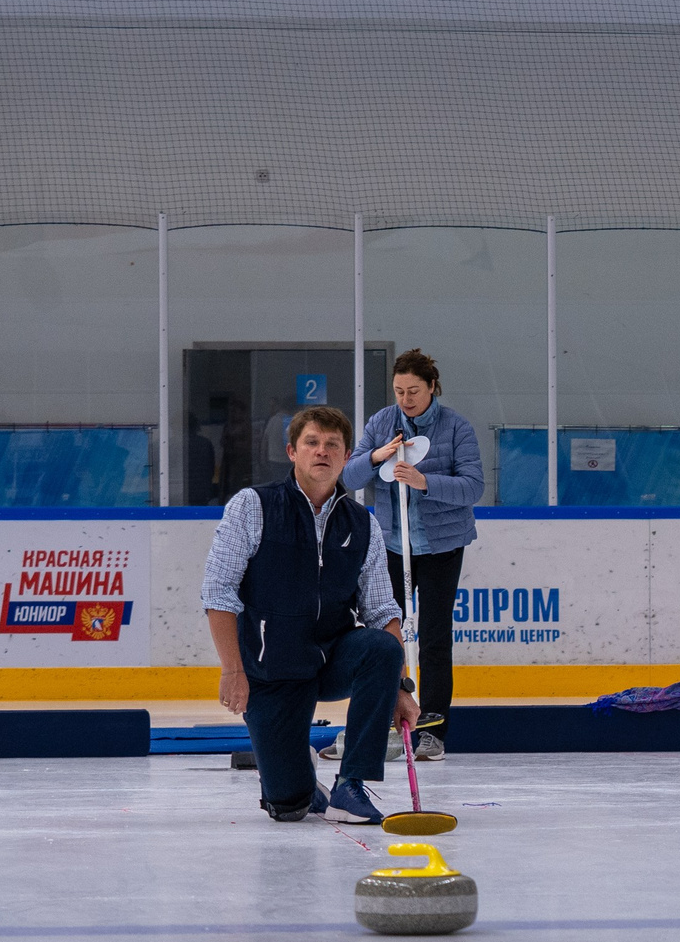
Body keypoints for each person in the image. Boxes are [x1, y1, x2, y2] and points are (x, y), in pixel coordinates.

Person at [201, 405, 418, 824]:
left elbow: (382, 611)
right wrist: (233, 670)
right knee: (288, 807)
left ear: (347, 455)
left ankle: (351, 784)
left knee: (380, 648)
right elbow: (218, 591)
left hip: (332, 656)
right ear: (292, 452)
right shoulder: (253, 506)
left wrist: (400, 688)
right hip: (272, 669)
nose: (322, 451)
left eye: (332, 444)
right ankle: (297, 770)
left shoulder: (362, 523)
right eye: (312, 443)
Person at [342, 350, 483, 761]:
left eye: (414, 391)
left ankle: (433, 730)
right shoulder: (381, 423)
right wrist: (375, 457)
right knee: (386, 638)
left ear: (432, 387)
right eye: (400, 391)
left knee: (435, 639)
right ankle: (385, 720)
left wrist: (425, 482)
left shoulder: (456, 427)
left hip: (441, 547)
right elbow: (348, 477)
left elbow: (473, 487)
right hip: (389, 545)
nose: (406, 399)